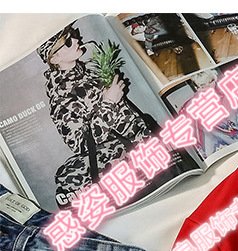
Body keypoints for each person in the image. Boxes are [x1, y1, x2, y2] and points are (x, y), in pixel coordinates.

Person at [37, 26, 152, 206]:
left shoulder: (85, 74)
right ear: (55, 59)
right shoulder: (61, 96)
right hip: (126, 165)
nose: (77, 40)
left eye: (74, 36)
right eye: (68, 42)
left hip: (143, 150)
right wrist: (109, 102)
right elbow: (80, 144)